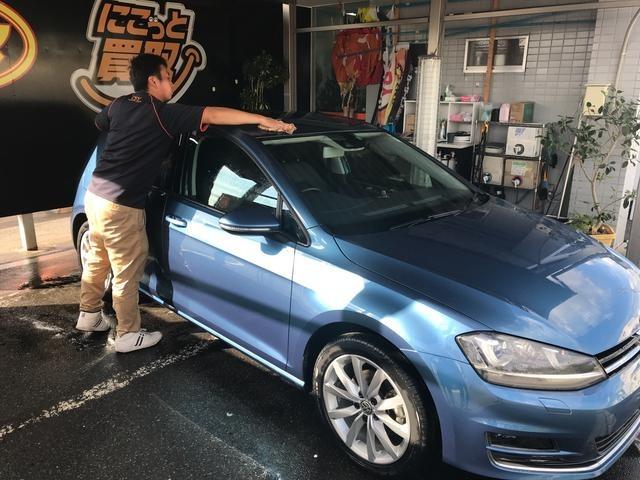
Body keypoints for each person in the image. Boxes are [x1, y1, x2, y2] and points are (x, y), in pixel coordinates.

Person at [76, 53, 296, 353]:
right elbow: (214, 115)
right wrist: (262, 119)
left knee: (98, 258)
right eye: (168, 77)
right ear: (153, 81)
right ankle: (127, 334)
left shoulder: (119, 105)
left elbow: (99, 122)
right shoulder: (163, 114)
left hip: (96, 195)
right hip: (122, 204)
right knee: (126, 269)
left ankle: (88, 314)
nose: (172, 83)